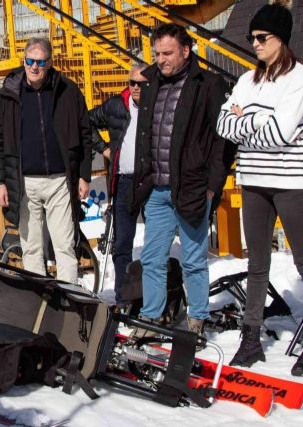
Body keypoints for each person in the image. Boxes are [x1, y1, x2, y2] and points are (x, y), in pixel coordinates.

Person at [216, 0, 303, 375]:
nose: (255, 43)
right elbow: (223, 125)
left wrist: (245, 119)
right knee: (256, 263)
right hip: (252, 181)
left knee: (302, 261)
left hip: (291, 183)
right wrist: (255, 122)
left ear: (281, 39)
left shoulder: (298, 79)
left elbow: (281, 133)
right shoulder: (246, 80)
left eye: (262, 37)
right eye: (252, 37)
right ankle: (251, 337)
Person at [130, 23, 232, 335]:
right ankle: (151, 318)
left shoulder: (208, 84)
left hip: (192, 188)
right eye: (157, 53)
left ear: (186, 51)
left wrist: (213, 187)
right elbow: (145, 135)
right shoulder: (150, 84)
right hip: (157, 189)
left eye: (168, 53)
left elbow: (223, 140)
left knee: (193, 261)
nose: (161, 59)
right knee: (152, 259)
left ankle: (196, 320)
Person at [0, 37, 93, 284]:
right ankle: (39, 301)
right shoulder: (7, 95)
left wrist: (84, 175)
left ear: (50, 62)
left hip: (59, 180)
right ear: (23, 61)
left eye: (40, 62)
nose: (34, 67)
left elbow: (85, 134)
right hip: (25, 182)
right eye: (30, 61)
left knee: (64, 245)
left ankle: (69, 297)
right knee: (31, 247)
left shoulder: (68, 90)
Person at [89, 63, 147, 304]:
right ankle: (123, 297)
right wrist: (103, 148)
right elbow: (88, 120)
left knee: (155, 242)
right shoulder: (116, 104)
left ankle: (152, 296)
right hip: (123, 181)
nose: (136, 88)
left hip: (151, 181)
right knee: (122, 242)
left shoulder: (158, 105)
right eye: (132, 82)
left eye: (141, 84)